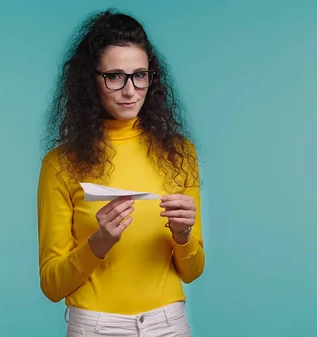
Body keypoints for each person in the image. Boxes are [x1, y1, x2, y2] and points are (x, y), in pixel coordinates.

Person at [37, 9, 205, 337]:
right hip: (96, 327)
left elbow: (192, 271)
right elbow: (52, 285)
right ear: (92, 80)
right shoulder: (60, 164)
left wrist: (183, 235)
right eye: (115, 76)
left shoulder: (180, 153)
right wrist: (100, 241)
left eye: (139, 75)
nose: (130, 90)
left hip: (168, 324)